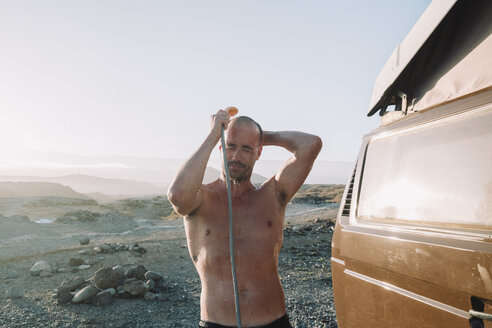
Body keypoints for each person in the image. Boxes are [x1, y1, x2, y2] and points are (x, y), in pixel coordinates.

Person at [167, 109, 322, 327]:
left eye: (247, 149)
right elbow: (177, 196)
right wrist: (214, 134)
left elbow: (310, 144)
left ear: (258, 153)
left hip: (273, 321)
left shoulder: (272, 194)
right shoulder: (200, 198)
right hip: (216, 323)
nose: (236, 156)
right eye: (230, 146)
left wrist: (259, 135)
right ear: (220, 148)